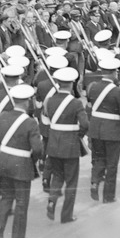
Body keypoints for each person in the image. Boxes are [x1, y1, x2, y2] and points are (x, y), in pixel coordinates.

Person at [0, 84, 42, 238]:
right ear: (26, 102)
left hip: (3, 162)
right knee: (21, 201)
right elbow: (38, 149)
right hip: (21, 164)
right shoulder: (30, 122)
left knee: (6, 197)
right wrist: (32, 158)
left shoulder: (2, 117)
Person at [43, 67, 89, 223]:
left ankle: (52, 200)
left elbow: (46, 120)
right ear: (71, 84)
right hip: (70, 145)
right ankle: (66, 215)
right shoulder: (75, 103)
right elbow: (85, 124)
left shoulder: (50, 101)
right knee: (71, 181)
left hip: (53, 143)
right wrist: (78, 136)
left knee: (57, 175)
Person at [86, 56, 120, 204]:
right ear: (113, 73)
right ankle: (108, 196)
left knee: (99, 158)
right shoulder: (117, 91)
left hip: (96, 128)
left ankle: (94, 181)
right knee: (112, 163)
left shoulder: (93, 87)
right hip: (111, 130)